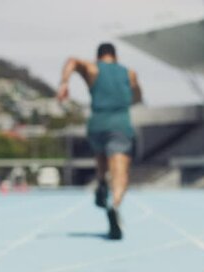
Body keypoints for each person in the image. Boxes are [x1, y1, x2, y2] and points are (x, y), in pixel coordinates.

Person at [57, 43, 142, 239]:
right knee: (119, 172)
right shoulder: (129, 73)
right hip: (119, 124)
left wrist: (64, 83)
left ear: (98, 56)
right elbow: (137, 97)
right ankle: (115, 204)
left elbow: (72, 60)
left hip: (97, 124)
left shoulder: (93, 69)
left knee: (102, 159)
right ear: (115, 56)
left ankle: (102, 182)